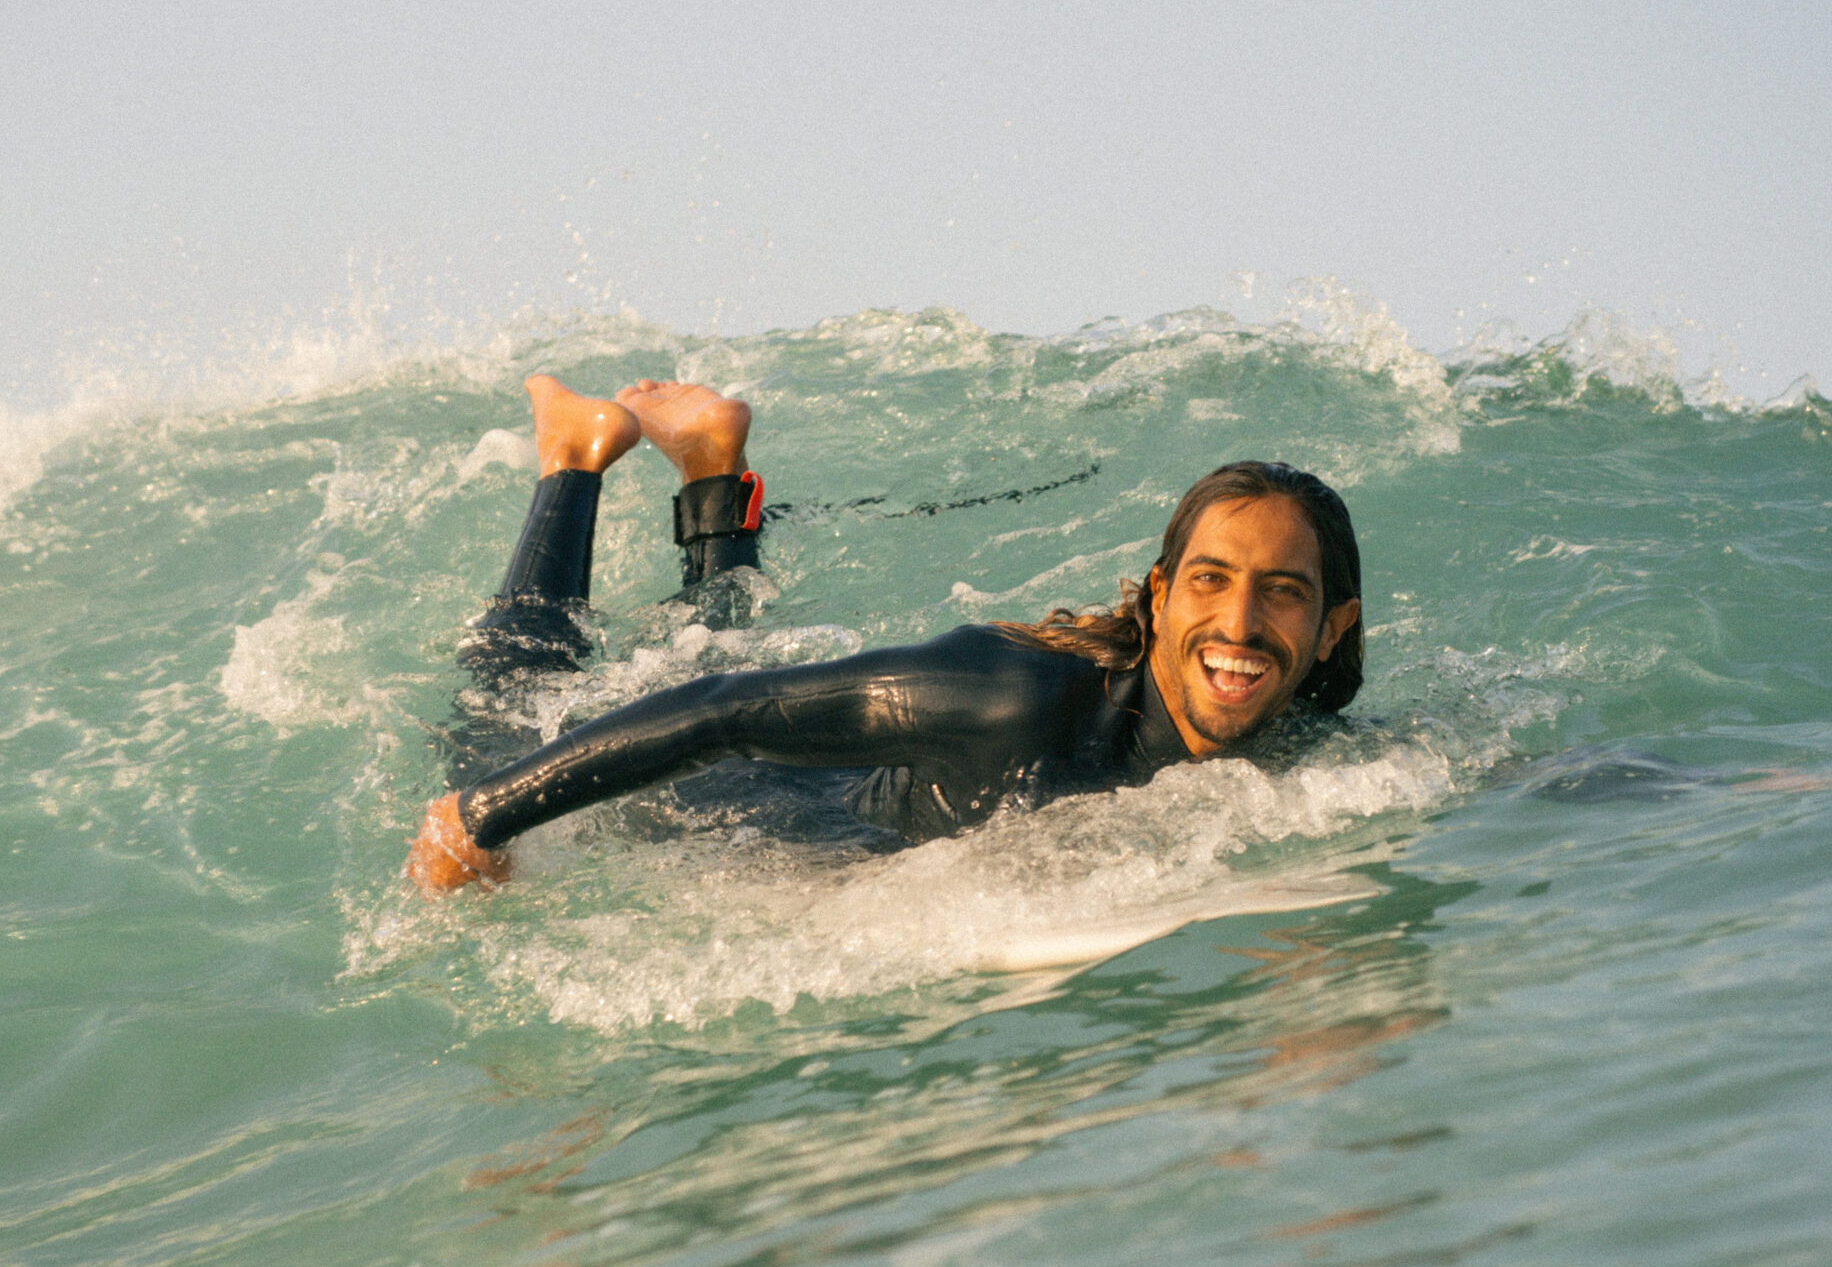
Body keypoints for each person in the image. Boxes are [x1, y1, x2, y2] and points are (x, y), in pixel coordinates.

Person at [405, 376, 1365, 891]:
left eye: (1283, 593)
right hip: (744, 806)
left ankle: (710, 465)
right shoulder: (1011, 697)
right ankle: (574, 455)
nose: (1239, 623)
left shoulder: (1307, 747)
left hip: (803, 781)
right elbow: (725, 712)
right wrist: (482, 811)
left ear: (1331, 631)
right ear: (1159, 598)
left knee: (717, 638)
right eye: (1211, 580)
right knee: (504, 705)